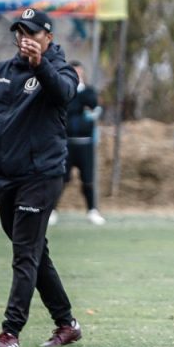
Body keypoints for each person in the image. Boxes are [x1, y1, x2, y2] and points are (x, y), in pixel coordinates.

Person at [0, 7, 83, 347]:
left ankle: (10, 332)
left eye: (32, 32)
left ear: (48, 37)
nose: (25, 38)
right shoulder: (0, 72)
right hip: (6, 176)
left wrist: (40, 65)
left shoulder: (61, 71)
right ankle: (67, 324)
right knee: (34, 251)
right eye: (20, 32)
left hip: (41, 176)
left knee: (24, 254)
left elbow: (63, 94)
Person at [51, 61, 105, 226]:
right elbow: (69, 107)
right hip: (66, 143)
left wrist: (83, 101)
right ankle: (51, 210)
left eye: (79, 72)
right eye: (73, 72)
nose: (77, 75)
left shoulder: (88, 91)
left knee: (88, 179)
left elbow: (93, 104)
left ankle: (92, 210)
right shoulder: (63, 91)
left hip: (85, 143)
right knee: (61, 178)